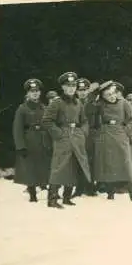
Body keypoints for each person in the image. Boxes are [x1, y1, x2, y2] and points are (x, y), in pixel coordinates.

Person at [42, 72, 91, 208]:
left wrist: (82, 133)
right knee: (59, 166)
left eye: (73, 85)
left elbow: (84, 120)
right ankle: (52, 199)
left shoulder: (78, 103)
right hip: (62, 138)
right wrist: (58, 134)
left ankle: (67, 197)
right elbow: (47, 121)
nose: (71, 88)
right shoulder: (57, 102)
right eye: (68, 85)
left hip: (77, 137)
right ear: (63, 87)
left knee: (73, 167)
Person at [93, 81, 132, 201]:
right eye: (108, 95)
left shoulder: (123, 103)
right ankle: (110, 193)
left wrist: (126, 131)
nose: (111, 97)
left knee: (126, 164)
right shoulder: (100, 104)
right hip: (106, 136)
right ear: (103, 96)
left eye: (113, 93)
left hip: (120, 135)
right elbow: (91, 111)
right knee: (109, 164)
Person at [12, 78, 52, 202]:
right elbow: (17, 129)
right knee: (30, 168)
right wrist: (20, 146)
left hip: (43, 140)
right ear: (27, 93)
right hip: (29, 141)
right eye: (32, 91)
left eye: (37, 91)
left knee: (43, 166)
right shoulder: (22, 108)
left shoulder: (44, 107)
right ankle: (32, 194)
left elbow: (49, 125)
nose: (35, 93)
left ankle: (45, 189)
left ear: (40, 93)